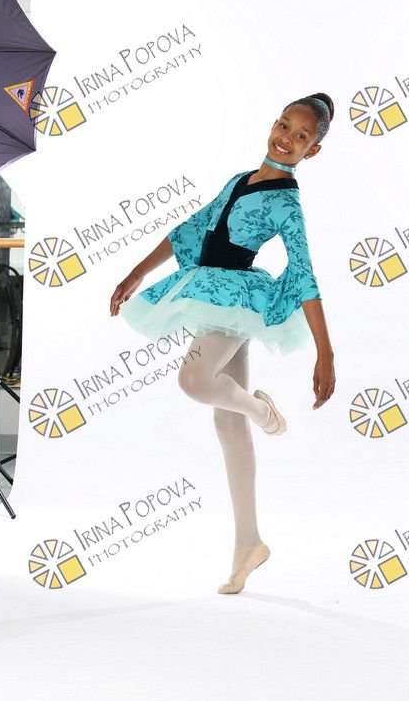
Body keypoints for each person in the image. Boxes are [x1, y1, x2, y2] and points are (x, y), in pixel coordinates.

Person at [110, 93, 336, 594]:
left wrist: (326, 352)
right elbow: (191, 230)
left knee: (195, 381)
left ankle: (264, 412)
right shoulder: (240, 179)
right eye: (285, 125)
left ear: (312, 151)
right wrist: (136, 272)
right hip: (210, 292)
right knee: (227, 423)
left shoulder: (285, 203)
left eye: (301, 136)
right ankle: (248, 544)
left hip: (235, 299)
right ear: (274, 122)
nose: (287, 138)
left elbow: (304, 273)